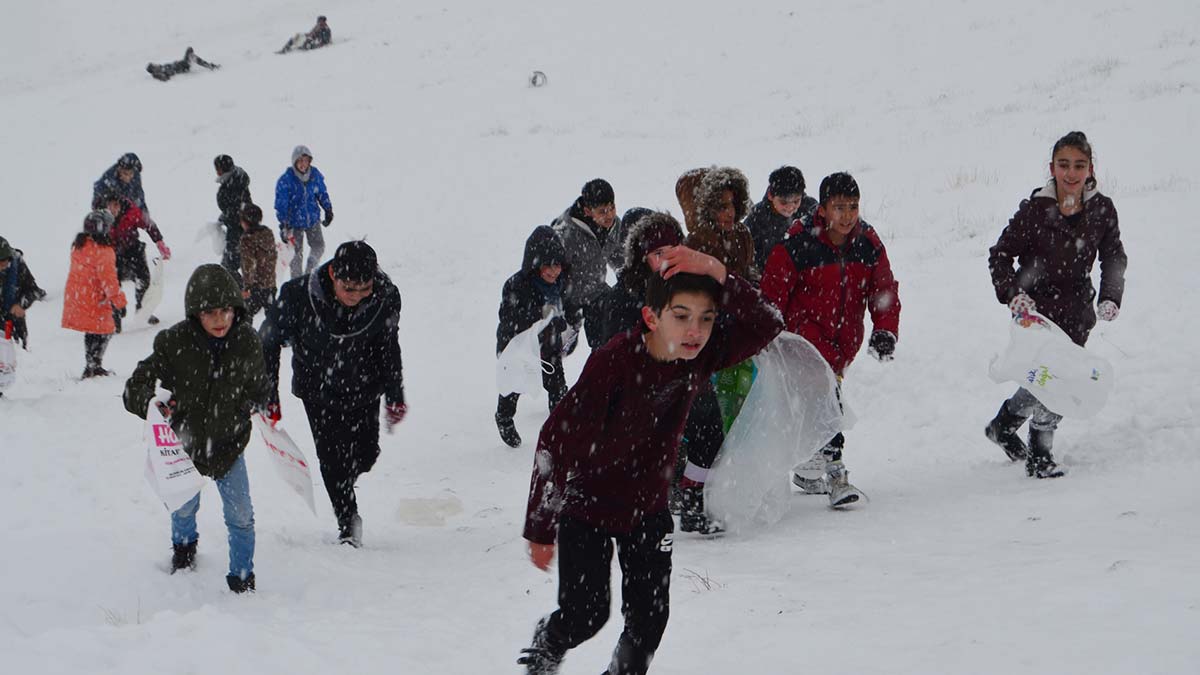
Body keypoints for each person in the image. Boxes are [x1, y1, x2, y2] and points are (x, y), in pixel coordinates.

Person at [518, 228, 784, 675]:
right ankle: (548, 643)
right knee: (587, 615)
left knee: (649, 621)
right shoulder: (613, 363)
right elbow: (553, 444)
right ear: (651, 316)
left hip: (649, 509)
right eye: (681, 316)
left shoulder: (700, 352)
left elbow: (768, 322)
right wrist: (541, 527)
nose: (695, 330)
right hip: (590, 507)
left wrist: (717, 271)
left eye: (706, 317)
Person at [985, 131, 1127, 479]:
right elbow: (1000, 256)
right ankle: (1041, 451)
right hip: (1037, 313)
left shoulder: (1102, 210)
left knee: (1048, 377)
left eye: (1079, 165)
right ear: (1052, 168)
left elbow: (1113, 257)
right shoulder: (1035, 210)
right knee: (1056, 379)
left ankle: (1003, 425)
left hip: (1077, 311)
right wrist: (1013, 293)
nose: (1071, 173)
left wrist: (1110, 295)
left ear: (1090, 168)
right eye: (1064, 165)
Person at [760, 172, 901, 507]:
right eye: (839, 207)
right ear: (822, 209)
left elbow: (883, 289)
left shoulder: (868, 243)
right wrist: (768, 336)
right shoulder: (797, 244)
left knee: (813, 410)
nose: (847, 215)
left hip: (842, 345)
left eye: (853, 206)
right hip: (803, 342)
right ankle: (837, 474)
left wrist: (885, 329)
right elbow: (773, 293)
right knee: (829, 404)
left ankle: (808, 472)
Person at [123, 264, 266, 592]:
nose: (221, 320)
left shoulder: (247, 342)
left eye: (226, 310)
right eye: (211, 313)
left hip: (230, 445)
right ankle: (184, 549)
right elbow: (136, 385)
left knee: (241, 515)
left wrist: (248, 405)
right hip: (184, 447)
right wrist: (151, 402)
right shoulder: (174, 342)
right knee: (183, 506)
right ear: (196, 314)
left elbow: (260, 387)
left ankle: (242, 577)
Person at [259, 241, 405, 547]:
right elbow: (268, 343)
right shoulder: (298, 296)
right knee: (332, 459)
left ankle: (343, 481)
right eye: (349, 288)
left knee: (366, 456)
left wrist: (394, 393)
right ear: (332, 274)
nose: (356, 297)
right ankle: (348, 521)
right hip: (319, 391)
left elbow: (388, 347)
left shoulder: (385, 296)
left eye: (364, 288)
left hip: (365, 388)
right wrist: (269, 395)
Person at [674, 166, 756, 533]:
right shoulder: (696, 244)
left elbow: (749, 279)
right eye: (721, 206)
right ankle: (693, 499)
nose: (729, 213)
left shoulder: (742, 236)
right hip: (705, 342)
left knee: (733, 420)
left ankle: (718, 495)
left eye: (733, 205)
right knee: (706, 424)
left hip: (737, 342)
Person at [495, 226, 581, 448]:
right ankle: (504, 417)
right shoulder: (517, 286)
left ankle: (560, 430)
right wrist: (542, 316)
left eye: (557, 265)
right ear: (535, 265)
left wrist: (571, 319)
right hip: (520, 348)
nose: (553, 271)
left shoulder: (563, 282)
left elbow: (571, 304)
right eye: (547, 266)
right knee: (515, 386)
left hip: (549, 346)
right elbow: (509, 318)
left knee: (558, 388)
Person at [592, 211, 684, 347]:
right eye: (658, 253)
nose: (667, 259)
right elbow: (616, 355)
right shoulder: (622, 299)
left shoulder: (693, 283)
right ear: (642, 258)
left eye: (673, 250)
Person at [551, 178, 622, 348]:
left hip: (597, 293)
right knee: (557, 350)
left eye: (612, 208)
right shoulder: (564, 233)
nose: (610, 215)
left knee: (609, 344)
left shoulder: (613, 225)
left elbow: (620, 260)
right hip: (568, 301)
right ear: (588, 211)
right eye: (603, 211)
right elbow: (550, 273)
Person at [61, 210, 127, 378]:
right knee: (105, 330)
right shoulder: (104, 251)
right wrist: (120, 302)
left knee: (92, 331)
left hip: (79, 295)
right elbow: (109, 281)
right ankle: (94, 365)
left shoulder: (79, 246)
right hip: (95, 298)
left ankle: (91, 365)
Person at [97, 190, 171, 327]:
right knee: (112, 284)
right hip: (112, 252)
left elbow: (149, 224)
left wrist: (159, 242)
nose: (113, 210)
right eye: (109, 206)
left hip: (133, 248)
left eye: (115, 205)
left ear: (120, 204)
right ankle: (116, 314)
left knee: (143, 279)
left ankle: (143, 309)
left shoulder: (131, 211)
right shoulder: (100, 218)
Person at [745, 166, 818, 275]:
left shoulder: (810, 208)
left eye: (796, 201)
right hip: (772, 277)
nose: (790, 207)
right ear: (770, 195)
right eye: (783, 202)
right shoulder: (757, 217)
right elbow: (749, 257)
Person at [275, 145, 333, 279]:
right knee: (296, 255)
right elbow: (281, 205)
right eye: (300, 161)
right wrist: (284, 225)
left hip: (312, 219)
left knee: (319, 246)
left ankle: (309, 272)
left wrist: (328, 209)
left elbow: (322, 193)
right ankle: (297, 282)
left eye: (306, 161)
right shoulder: (286, 180)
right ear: (294, 162)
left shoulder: (315, 175)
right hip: (294, 223)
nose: (303, 164)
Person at [0, 237, 48, 349]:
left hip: (14, 321)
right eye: (1, 262)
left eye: (6, 261)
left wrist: (20, 305)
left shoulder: (17, 263)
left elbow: (33, 290)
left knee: (15, 356)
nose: (4, 265)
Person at [214, 154, 252, 284]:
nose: (216, 172)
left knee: (229, 267)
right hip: (244, 228)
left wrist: (226, 217)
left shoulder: (232, 185)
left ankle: (241, 292)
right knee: (241, 265)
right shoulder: (237, 179)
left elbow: (236, 210)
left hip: (237, 230)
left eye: (218, 168)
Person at [238, 204, 277, 321]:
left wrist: (247, 287)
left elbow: (248, 265)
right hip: (270, 284)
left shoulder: (247, 239)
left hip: (255, 287)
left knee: (246, 317)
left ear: (245, 222)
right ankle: (271, 337)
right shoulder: (268, 233)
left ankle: (248, 338)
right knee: (272, 318)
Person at [146, 47, 220, 81]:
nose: (156, 64)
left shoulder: (161, 67)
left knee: (190, 52)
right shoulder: (159, 72)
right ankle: (209, 66)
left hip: (181, 64)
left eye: (154, 64)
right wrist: (157, 74)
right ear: (153, 68)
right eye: (154, 65)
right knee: (190, 54)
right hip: (182, 67)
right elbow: (165, 78)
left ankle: (209, 66)